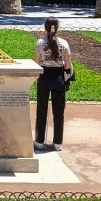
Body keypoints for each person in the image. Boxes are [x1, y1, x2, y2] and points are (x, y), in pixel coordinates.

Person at [34, 16, 73, 151]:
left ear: (45, 27)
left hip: (44, 77)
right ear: (57, 28)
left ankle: (39, 141)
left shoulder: (40, 43)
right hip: (58, 78)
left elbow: (36, 63)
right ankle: (57, 143)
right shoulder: (64, 43)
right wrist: (67, 79)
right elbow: (67, 65)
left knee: (41, 110)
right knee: (58, 111)